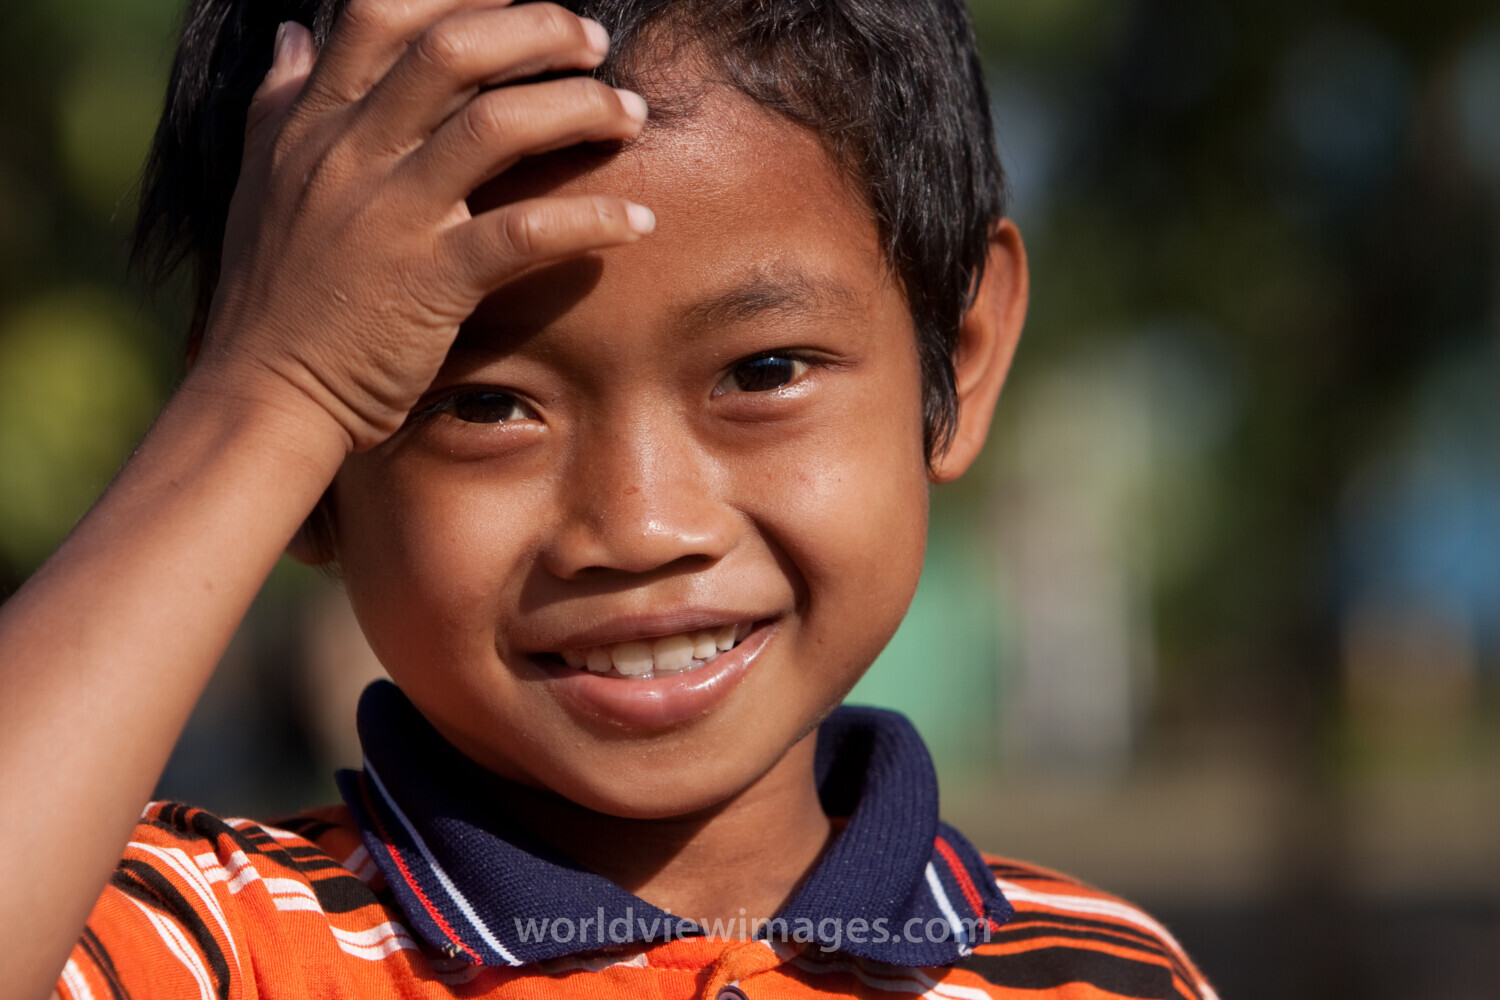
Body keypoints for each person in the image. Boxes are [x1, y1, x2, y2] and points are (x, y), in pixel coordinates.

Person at [0, 0, 1217, 997]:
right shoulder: (222, 944)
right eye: (483, 405)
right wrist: (268, 393)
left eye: (765, 372)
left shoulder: (1107, 972)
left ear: (956, 356)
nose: (638, 526)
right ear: (310, 478)